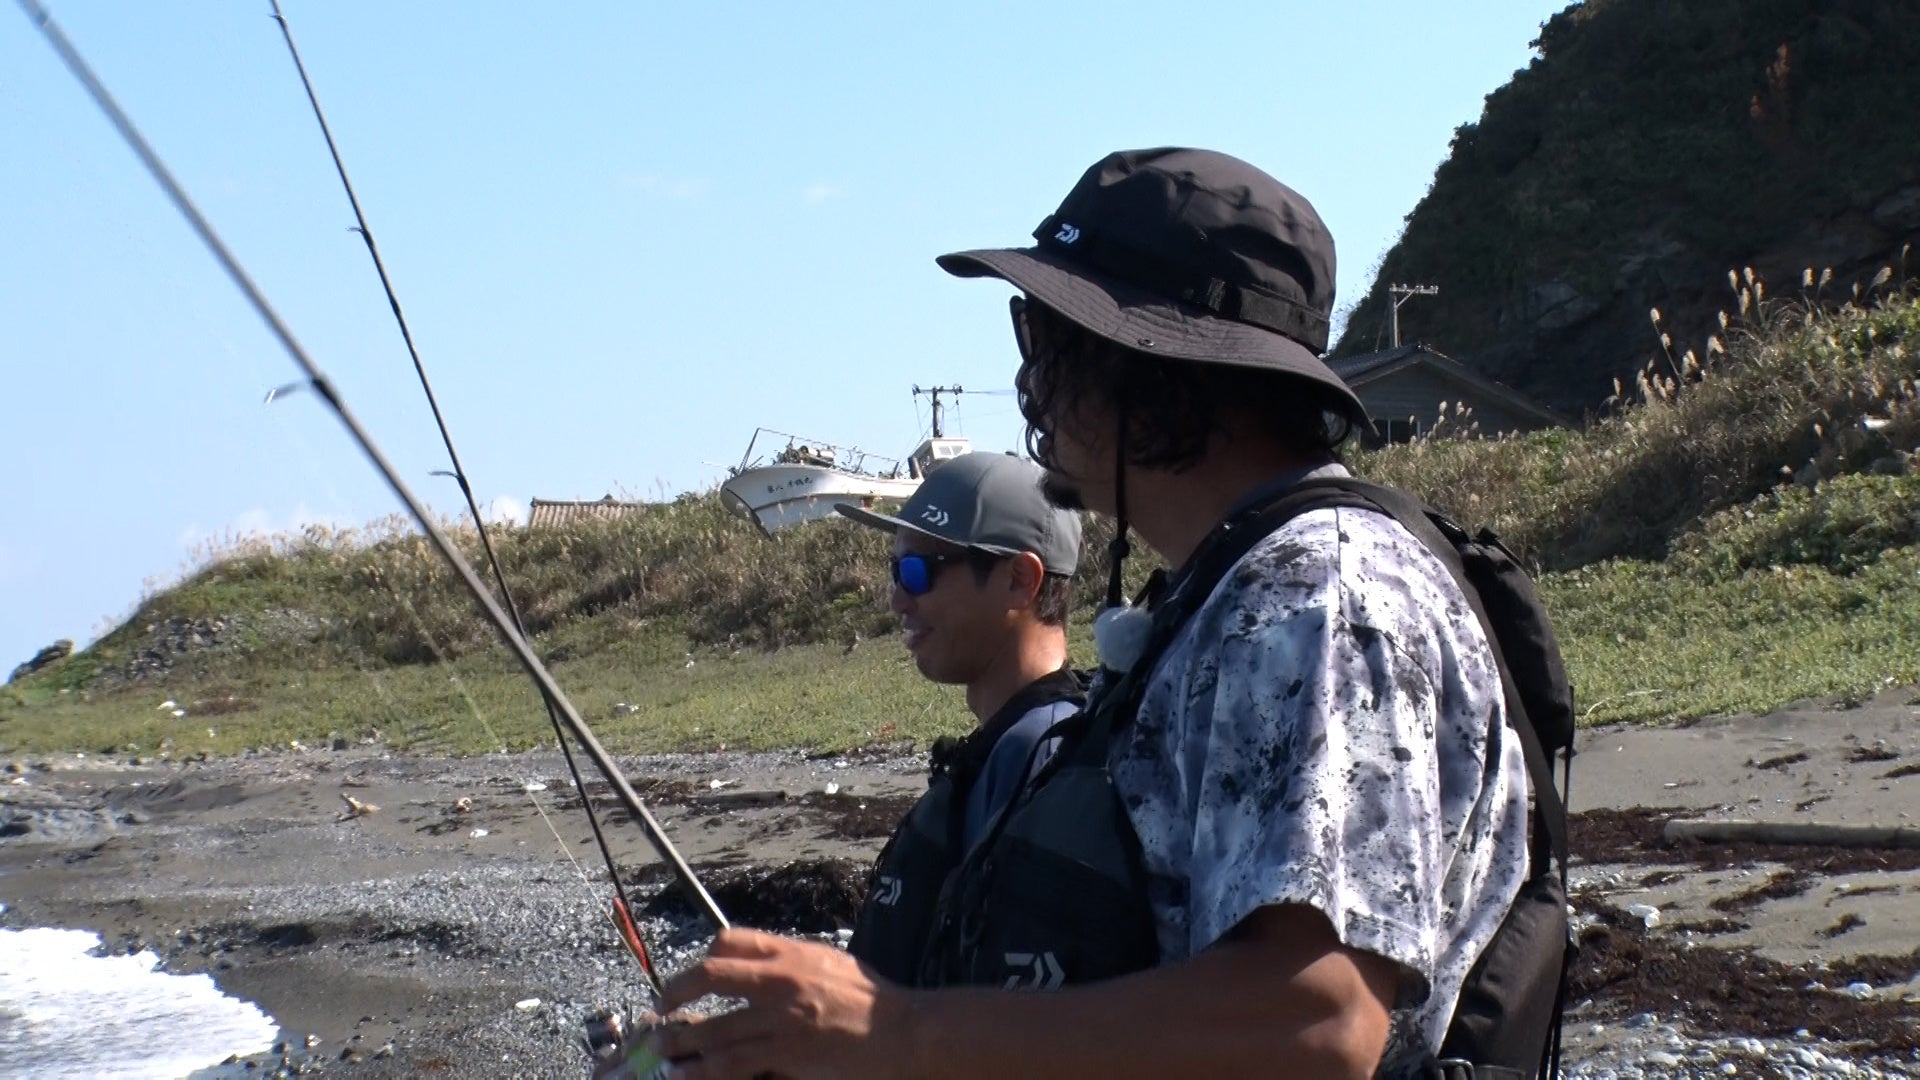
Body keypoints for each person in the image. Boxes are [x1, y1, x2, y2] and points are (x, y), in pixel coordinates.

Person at [649, 148, 1531, 1080]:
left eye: (1054, 339)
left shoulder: (1318, 600)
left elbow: (1313, 1026)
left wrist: (893, 1032)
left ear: (1160, 372)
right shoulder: (1232, 589)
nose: (1032, 381)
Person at [831, 451, 1086, 984]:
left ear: (1020, 579)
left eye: (919, 571)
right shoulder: (1005, 748)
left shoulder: (1044, 759)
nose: (898, 599)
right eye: (895, 570)